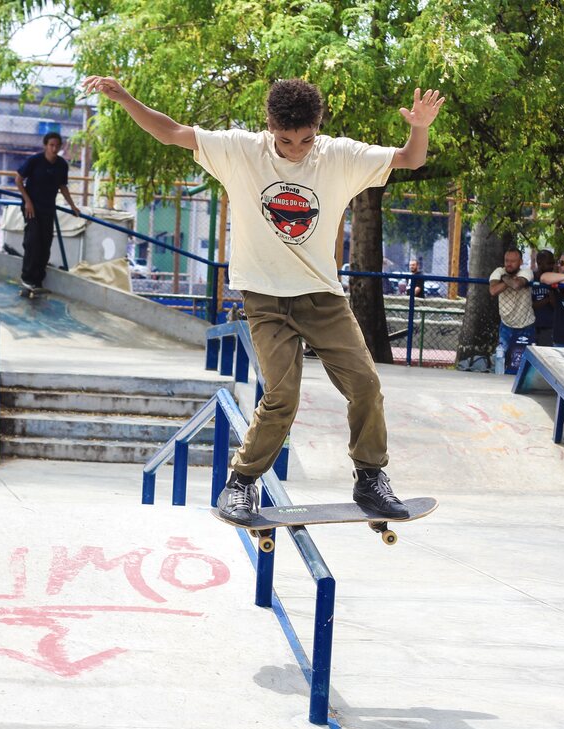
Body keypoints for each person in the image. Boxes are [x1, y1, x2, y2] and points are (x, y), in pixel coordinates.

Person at [82, 74, 445, 522]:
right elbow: (172, 131)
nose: (296, 150)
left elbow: (410, 158)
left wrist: (420, 127)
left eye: (306, 140)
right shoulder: (240, 150)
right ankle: (241, 484)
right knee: (282, 395)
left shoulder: (339, 156)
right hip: (266, 300)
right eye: (285, 140)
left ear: (318, 126)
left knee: (366, 385)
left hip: (323, 297)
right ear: (270, 126)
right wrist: (125, 97)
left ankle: (370, 479)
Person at [14, 132, 81, 292]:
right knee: (33, 241)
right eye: (51, 145)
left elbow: (62, 186)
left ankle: (38, 280)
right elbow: (18, 179)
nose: (54, 149)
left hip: (48, 208)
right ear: (45, 146)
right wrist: (27, 201)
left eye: (57, 146)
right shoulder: (35, 161)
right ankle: (27, 278)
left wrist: (72, 205)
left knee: (45, 243)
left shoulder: (61, 165)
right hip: (32, 207)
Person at [488, 247, 534, 374]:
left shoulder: (526, 271)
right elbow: (493, 290)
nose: (509, 264)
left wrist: (504, 278)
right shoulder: (499, 271)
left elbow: (516, 285)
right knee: (502, 360)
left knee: (518, 365)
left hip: (525, 324)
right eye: (506, 260)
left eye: (513, 261)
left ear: (521, 262)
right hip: (506, 325)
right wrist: (508, 278)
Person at [530, 254, 556, 345]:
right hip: (531, 325)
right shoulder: (531, 278)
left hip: (549, 326)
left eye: (553, 263)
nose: (552, 266)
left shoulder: (555, 279)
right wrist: (547, 299)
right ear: (539, 263)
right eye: (549, 263)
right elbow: (529, 305)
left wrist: (550, 297)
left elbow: (556, 304)